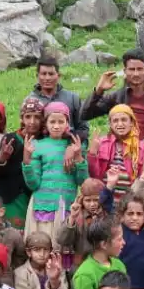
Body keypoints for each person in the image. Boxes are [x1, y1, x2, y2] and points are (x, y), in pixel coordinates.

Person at [24, 101, 88, 246]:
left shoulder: (74, 146)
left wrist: (78, 157)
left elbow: (81, 181)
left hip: (66, 205)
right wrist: (26, 161)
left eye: (61, 121)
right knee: (42, 247)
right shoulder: (38, 146)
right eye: (52, 121)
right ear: (45, 124)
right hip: (42, 206)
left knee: (63, 248)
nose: (56, 126)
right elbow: (33, 184)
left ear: (67, 124)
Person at [81, 49, 144, 139]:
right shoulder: (117, 97)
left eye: (140, 69)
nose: (136, 74)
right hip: (121, 148)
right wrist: (98, 91)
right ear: (125, 71)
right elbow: (85, 114)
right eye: (132, 69)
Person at [0, 99, 39, 230]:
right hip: (10, 197)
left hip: (32, 197)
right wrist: (2, 159)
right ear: (22, 118)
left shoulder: (44, 141)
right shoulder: (10, 139)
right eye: (28, 116)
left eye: (37, 117)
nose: (32, 121)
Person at [88, 104, 144, 203]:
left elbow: (141, 179)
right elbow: (94, 175)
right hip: (105, 200)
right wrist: (92, 153)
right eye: (115, 121)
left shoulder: (141, 147)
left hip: (129, 202)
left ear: (132, 123)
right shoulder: (102, 143)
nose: (120, 124)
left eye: (124, 120)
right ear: (111, 125)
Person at [27, 55, 86, 141]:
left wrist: (72, 144)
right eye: (43, 74)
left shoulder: (73, 98)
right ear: (37, 76)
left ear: (58, 75)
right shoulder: (30, 101)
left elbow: (83, 128)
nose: (47, 78)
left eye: (51, 74)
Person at [73, 218, 129, 289]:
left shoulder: (119, 265)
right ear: (104, 244)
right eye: (119, 239)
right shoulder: (84, 275)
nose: (124, 242)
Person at [59, 178, 111, 271]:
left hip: (102, 266)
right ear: (81, 200)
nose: (92, 204)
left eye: (96, 200)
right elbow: (63, 240)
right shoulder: (77, 216)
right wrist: (72, 218)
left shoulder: (106, 216)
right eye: (88, 200)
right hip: (81, 266)